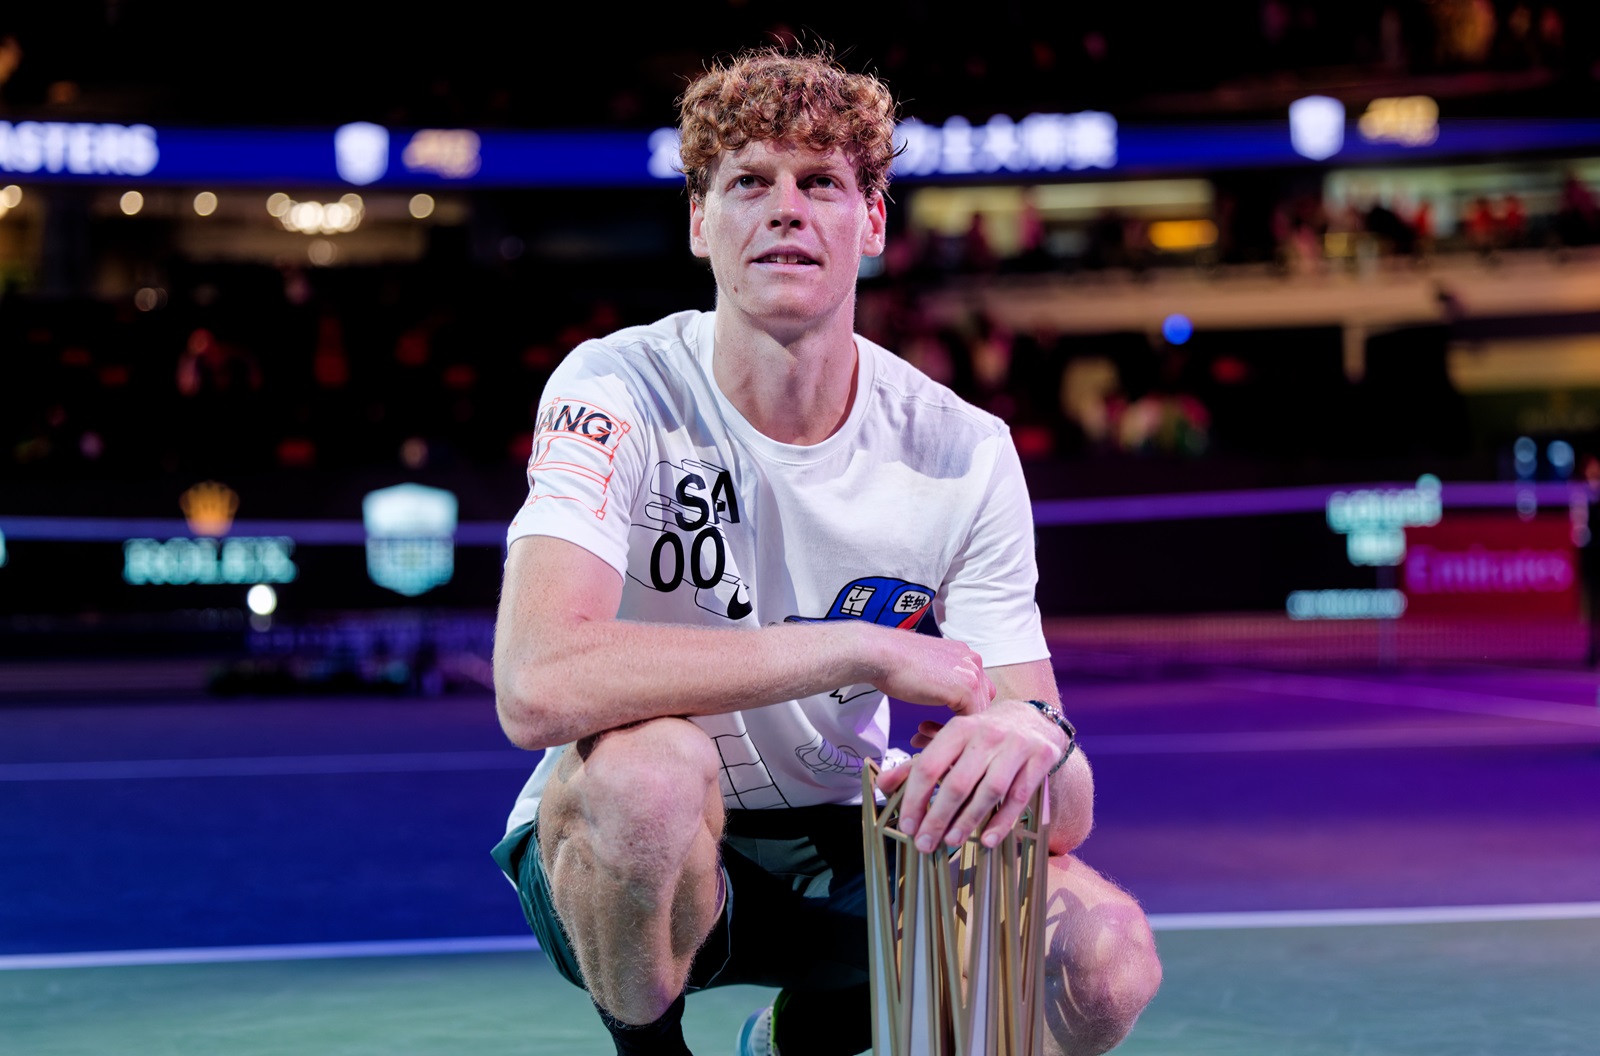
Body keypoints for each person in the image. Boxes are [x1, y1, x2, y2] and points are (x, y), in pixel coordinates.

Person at [491, 47, 1161, 1056]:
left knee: (1106, 960)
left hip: (844, 828)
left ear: (873, 223)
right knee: (652, 776)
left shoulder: (961, 448)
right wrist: (859, 649)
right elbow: (534, 683)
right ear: (699, 222)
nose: (786, 210)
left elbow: (1061, 813)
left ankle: (796, 1043)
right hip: (626, 849)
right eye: (748, 181)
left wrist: (1030, 740)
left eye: (822, 184)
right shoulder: (616, 386)